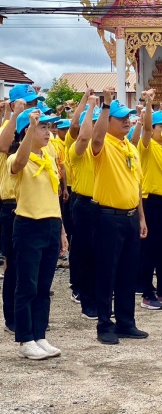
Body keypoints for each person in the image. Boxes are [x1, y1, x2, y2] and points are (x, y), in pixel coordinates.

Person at [91, 88, 148, 345]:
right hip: (108, 216)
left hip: (130, 216)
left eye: (128, 117)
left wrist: (141, 217)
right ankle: (104, 324)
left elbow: (137, 184)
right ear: (108, 121)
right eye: (121, 117)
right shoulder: (104, 144)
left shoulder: (129, 147)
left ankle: (126, 321)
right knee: (107, 272)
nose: (127, 121)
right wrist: (105, 106)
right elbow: (95, 138)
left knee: (128, 272)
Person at [10, 108, 68, 359]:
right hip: (29, 225)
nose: (48, 132)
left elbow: (53, 197)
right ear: (27, 131)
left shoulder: (48, 158)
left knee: (44, 286)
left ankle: (39, 334)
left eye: (48, 127)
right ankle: (25, 339)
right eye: (42, 127)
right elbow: (18, 164)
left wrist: (62, 231)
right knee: (27, 285)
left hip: (51, 225)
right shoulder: (18, 157)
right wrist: (30, 127)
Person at [68, 95, 101, 320]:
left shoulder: (105, 147)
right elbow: (83, 136)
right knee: (86, 254)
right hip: (84, 204)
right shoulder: (78, 148)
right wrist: (90, 107)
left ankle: (99, 298)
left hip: (102, 204)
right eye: (93, 123)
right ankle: (87, 300)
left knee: (100, 255)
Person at [137, 90, 162, 309]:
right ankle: (147, 293)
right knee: (150, 250)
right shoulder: (147, 147)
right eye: (161, 127)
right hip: (152, 201)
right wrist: (149, 104)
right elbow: (147, 129)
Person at [0, 98, 27, 335]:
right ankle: (11, 316)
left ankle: (28, 315)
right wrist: (15, 115)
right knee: (13, 265)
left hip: (32, 205)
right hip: (11, 205)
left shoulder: (38, 140)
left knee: (29, 266)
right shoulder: (8, 132)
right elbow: (3, 144)